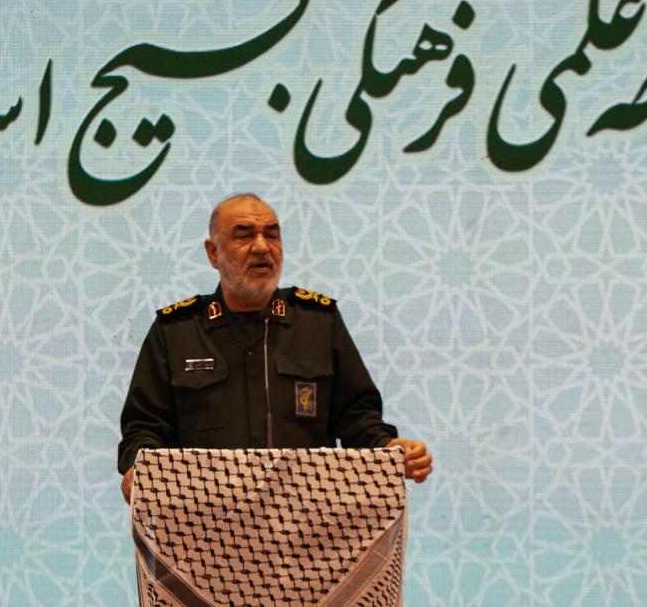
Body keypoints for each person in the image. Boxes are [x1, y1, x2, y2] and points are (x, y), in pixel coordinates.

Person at [117, 193, 432, 502]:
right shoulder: (176, 331)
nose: (261, 247)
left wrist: (388, 447)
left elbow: (356, 416)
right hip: (206, 516)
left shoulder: (318, 322)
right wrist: (139, 468)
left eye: (272, 235)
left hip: (307, 517)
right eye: (244, 236)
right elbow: (144, 427)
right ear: (213, 253)